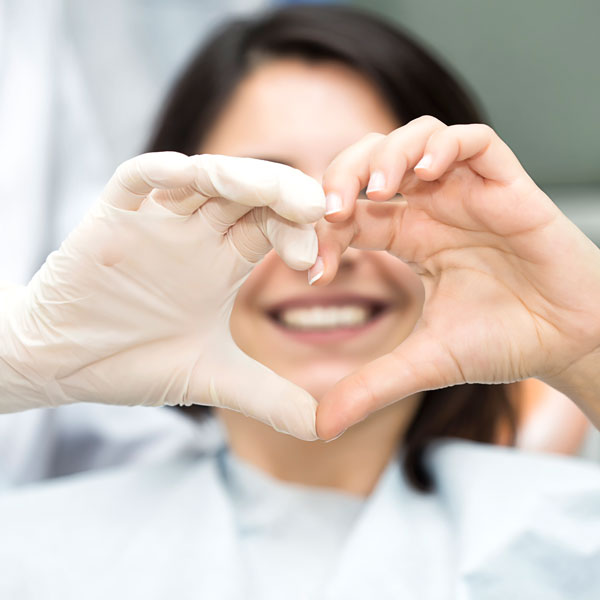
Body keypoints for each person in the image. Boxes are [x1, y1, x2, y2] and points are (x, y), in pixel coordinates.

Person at [0, 5, 599, 598]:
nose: (322, 245)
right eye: (261, 203)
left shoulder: (576, 538)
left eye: (375, 191)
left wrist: (589, 347)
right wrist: (15, 366)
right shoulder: (26, 552)